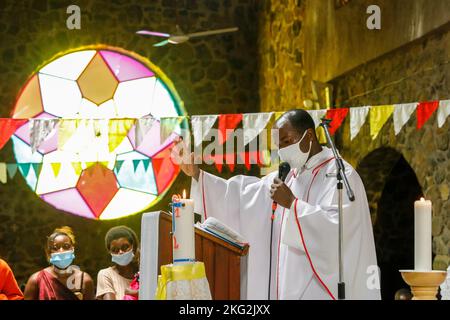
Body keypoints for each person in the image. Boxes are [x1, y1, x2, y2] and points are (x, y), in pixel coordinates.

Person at [176, 109, 381, 300]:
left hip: (320, 291)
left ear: (309, 137)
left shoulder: (340, 176)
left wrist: (292, 204)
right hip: (285, 288)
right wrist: (197, 175)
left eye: (286, 141)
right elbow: (242, 196)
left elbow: (338, 230)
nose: (282, 151)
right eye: (279, 145)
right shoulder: (289, 175)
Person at [23, 226, 95, 300]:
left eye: (66, 246)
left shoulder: (85, 280)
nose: (61, 251)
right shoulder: (36, 280)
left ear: (72, 249)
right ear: (49, 252)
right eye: (55, 248)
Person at [96, 226, 140, 300]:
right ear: (110, 252)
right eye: (115, 250)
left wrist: (138, 293)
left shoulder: (143, 273)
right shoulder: (106, 275)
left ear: (133, 246)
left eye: (125, 247)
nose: (120, 252)